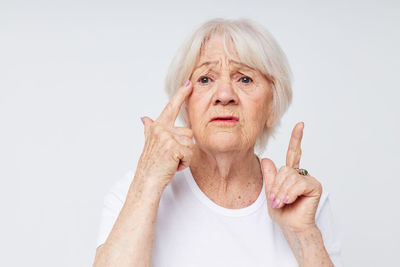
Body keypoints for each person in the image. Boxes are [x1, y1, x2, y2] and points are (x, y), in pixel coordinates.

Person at [93, 18, 343, 267]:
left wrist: (305, 236)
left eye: (244, 79)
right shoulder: (132, 193)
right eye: (205, 79)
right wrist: (146, 183)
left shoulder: (306, 202)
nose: (224, 95)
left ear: (271, 107)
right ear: (185, 105)